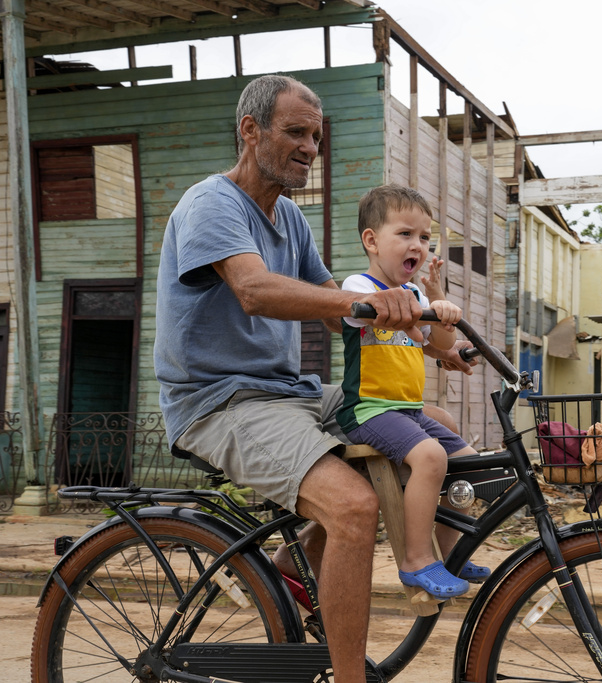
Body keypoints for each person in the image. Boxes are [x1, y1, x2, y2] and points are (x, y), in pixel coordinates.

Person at [153, 74, 472, 682]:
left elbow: (339, 308)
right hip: (219, 401)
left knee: (437, 424)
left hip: (288, 391)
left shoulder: (291, 222)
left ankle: (297, 564)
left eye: (316, 137)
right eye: (295, 133)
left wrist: (427, 336)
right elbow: (253, 290)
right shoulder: (211, 204)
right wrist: (364, 306)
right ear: (251, 131)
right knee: (353, 506)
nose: (309, 147)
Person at [337, 185, 489, 600]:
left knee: (468, 464)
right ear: (371, 240)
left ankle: (450, 552)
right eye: (405, 234)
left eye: (424, 238)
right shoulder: (359, 284)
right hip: (369, 410)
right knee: (430, 456)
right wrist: (404, 309)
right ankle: (416, 560)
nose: (417, 245)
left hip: (406, 411)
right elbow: (358, 311)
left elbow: (437, 343)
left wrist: (438, 300)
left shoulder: (418, 294)